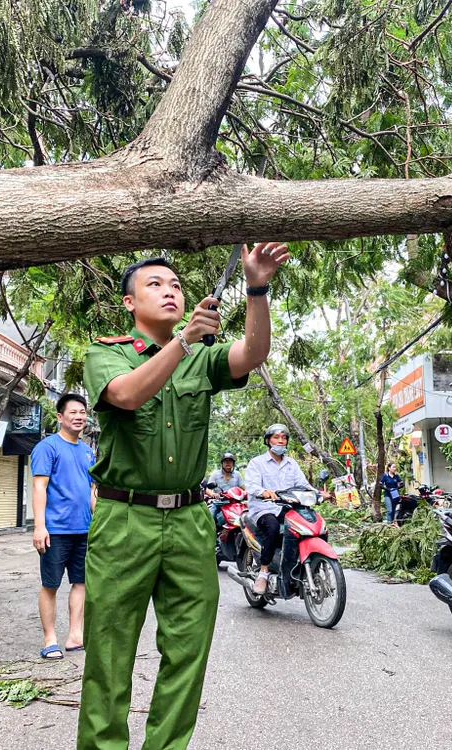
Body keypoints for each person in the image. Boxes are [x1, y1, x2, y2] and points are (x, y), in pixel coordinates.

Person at [78, 244, 289, 750]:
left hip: (191, 519)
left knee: (188, 650)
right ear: (129, 303)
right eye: (155, 284)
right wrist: (184, 341)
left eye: (175, 285)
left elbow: (252, 354)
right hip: (124, 517)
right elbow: (127, 394)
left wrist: (255, 288)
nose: (169, 290)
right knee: (109, 653)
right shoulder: (105, 353)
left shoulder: (204, 357)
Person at [30, 393, 97, 660]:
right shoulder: (48, 447)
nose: (79, 416)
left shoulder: (87, 451)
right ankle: (50, 640)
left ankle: (75, 636)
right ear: (60, 417)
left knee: (80, 583)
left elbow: (92, 492)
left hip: (84, 530)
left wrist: (99, 523)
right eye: (73, 412)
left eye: (82, 412)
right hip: (55, 530)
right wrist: (39, 526)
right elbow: (39, 487)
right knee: (51, 584)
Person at [243, 424, 316, 595]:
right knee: (273, 527)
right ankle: (264, 571)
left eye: (284, 438)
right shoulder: (257, 463)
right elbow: (252, 486)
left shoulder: (291, 464)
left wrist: (319, 494)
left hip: (287, 507)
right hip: (263, 508)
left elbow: (303, 485)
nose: (281, 441)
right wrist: (264, 492)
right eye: (276, 437)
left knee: (306, 524)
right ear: (268, 441)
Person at [205, 453, 242, 533]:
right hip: (218, 502)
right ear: (222, 463)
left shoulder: (237, 475)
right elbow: (207, 489)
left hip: (233, 503)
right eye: (225, 461)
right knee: (209, 517)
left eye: (230, 461)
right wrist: (213, 494)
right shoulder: (215, 475)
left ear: (233, 464)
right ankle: (213, 536)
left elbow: (244, 488)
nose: (228, 463)